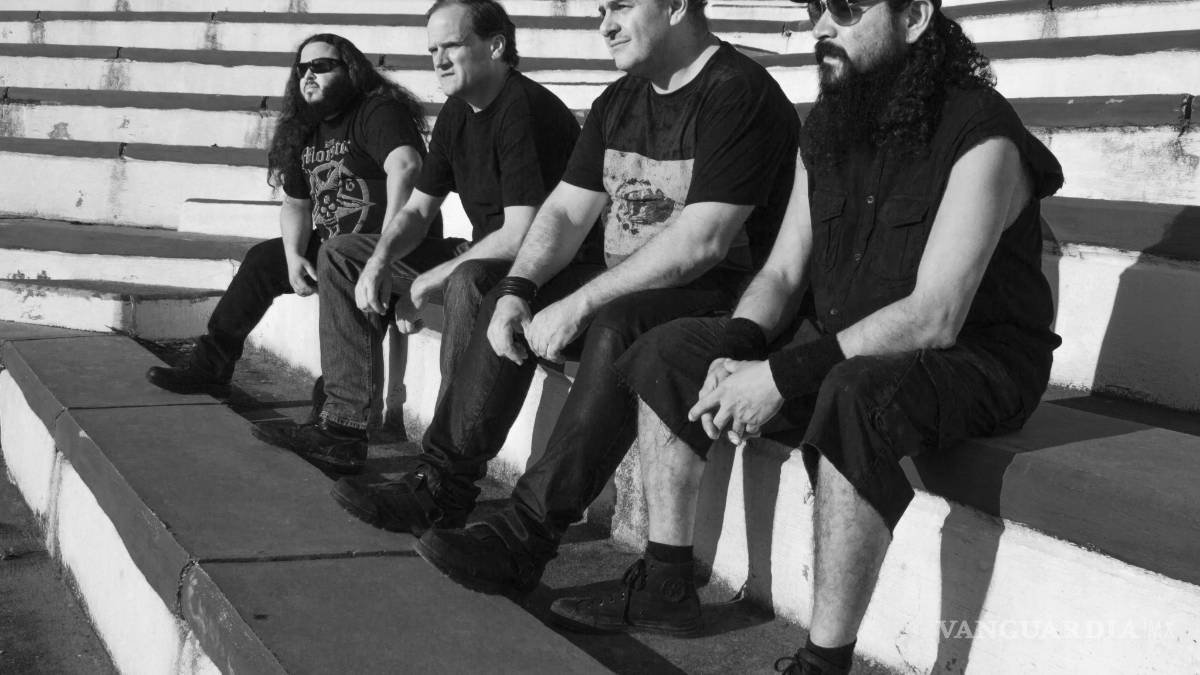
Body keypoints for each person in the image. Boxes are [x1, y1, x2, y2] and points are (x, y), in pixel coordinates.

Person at [547, 0, 1065, 672]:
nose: (822, 26)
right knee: (675, 349)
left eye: (845, 8)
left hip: (976, 358)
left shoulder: (982, 131)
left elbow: (935, 315)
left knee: (853, 393)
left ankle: (824, 661)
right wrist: (735, 348)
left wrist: (779, 377)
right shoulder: (826, 126)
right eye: (816, 7)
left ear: (914, 17)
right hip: (851, 343)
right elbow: (784, 271)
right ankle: (666, 585)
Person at [333, 0, 800, 596]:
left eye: (621, 6)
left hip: (727, 297)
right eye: (601, 9)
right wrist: (519, 289)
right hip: (638, 283)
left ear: (677, 6)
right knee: (491, 286)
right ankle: (441, 486)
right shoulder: (620, 99)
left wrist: (578, 305)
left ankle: (526, 537)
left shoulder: (738, 93)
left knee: (617, 322)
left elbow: (702, 244)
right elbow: (565, 212)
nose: (605, 24)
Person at [251, 0, 581, 474]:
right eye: (432, 50)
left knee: (467, 280)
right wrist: (380, 261)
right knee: (343, 254)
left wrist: (426, 282)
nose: (439, 61)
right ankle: (342, 428)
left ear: (495, 46)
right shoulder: (458, 111)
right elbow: (420, 209)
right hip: (489, 249)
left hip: (549, 265)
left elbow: (522, 234)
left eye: (452, 46)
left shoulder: (522, 109)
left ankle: (442, 462)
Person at [146, 33, 440, 423]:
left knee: (357, 297)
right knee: (262, 261)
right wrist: (292, 257)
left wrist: (383, 257)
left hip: (394, 249)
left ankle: (334, 421)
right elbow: (296, 204)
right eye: (301, 69)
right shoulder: (307, 128)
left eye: (321, 66)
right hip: (335, 249)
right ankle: (210, 368)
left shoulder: (377, 111)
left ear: (351, 70)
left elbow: (406, 166)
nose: (308, 75)